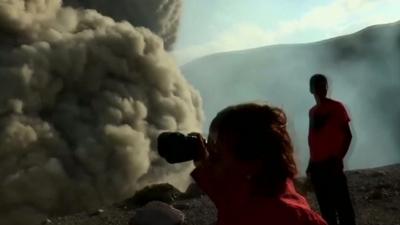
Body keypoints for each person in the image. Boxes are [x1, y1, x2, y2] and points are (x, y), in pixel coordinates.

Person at [191, 103, 327, 225]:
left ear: (248, 159)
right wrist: (202, 162)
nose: (212, 157)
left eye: (218, 149)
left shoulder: (256, 213)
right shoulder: (252, 203)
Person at [307, 74, 356, 225]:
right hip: (318, 167)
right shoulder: (312, 112)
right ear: (311, 89)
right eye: (318, 86)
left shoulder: (337, 107)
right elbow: (314, 140)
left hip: (331, 164)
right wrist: (310, 164)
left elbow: (348, 135)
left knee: (344, 210)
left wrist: (338, 158)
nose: (322, 89)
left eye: (324, 86)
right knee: (327, 211)